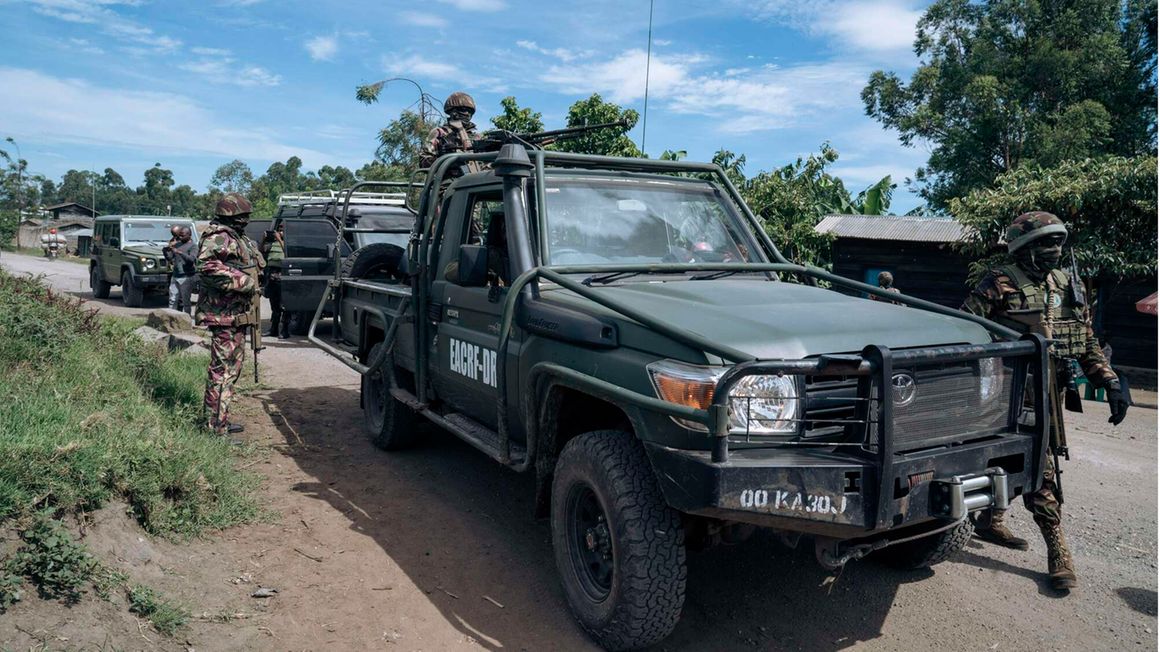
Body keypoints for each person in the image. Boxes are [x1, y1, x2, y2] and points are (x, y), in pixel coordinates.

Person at [962, 211, 1130, 591]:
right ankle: (1047, 542)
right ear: (1024, 248)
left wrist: (1110, 382)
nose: (1054, 250)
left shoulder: (1067, 284)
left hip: (1048, 391)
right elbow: (966, 329)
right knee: (1012, 458)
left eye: (1058, 243)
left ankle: (1011, 528)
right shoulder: (1000, 282)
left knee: (1040, 460)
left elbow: (1084, 339)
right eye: (1045, 244)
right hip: (1006, 389)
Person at [196, 192, 265, 437]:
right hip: (224, 316)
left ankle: (219, 420)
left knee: (230, 372)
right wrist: (244, 282)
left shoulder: (238, 237)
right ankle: (215, 429)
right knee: (222, 372)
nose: (246, 220)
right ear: (232, 215)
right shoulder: (219, 237)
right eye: (243, 216)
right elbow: (206, 267)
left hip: (235, 315)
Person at [419, 91, 481, 173]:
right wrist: (442, 157)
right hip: (449, 182)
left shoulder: (477, 137)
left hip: (477, 180)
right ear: (452, 111)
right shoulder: (440, 133)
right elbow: (423, 163)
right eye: (463, 110)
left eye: (470, 111)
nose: (467, 113)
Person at [260, 222, 289, 339]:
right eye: (279, 228)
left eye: (283, 228)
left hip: (284, 276)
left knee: (285, 305)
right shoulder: (273, 244)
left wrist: (280, 239)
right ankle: (274, 329)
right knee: (274, 305)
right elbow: (261, 251)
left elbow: (287, 252)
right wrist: (263, 240)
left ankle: (285, 330)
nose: (280, 230)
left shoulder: (289, 242)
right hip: (272, 276)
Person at [165, 226, 197, 314]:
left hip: (186, 276)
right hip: (175, 275)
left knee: (185, 301)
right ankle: (171, 319)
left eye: (182, 236)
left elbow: (191, 259)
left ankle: (187, 320)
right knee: (172, 299)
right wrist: (166, 250)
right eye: (179, 235)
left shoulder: (193, 246)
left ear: (189, 235)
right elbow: (170, 258)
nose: (180, 237)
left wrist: (179, 252)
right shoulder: (177, 244)